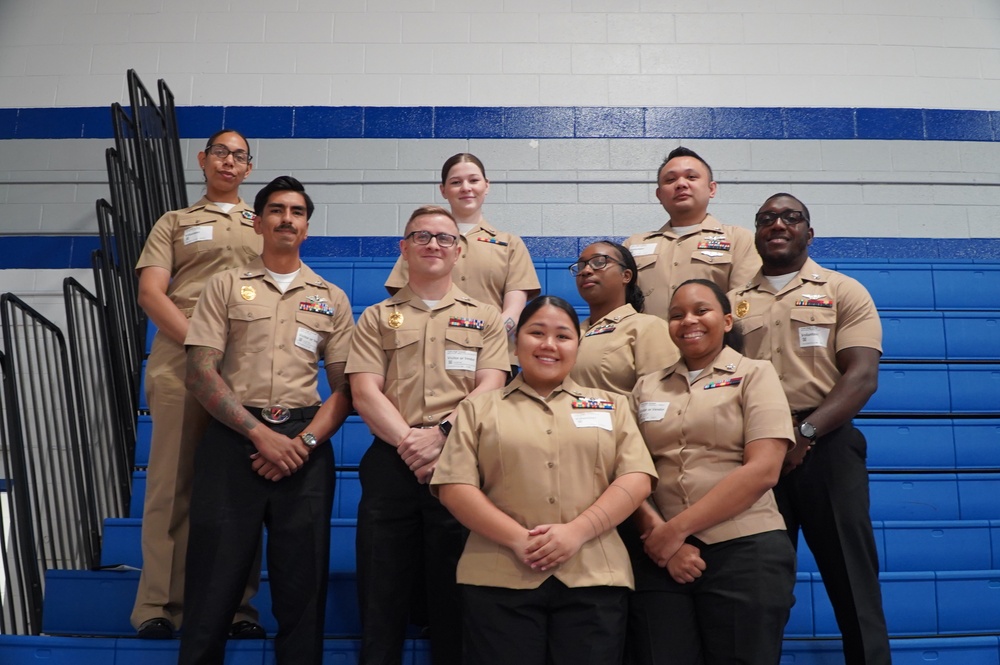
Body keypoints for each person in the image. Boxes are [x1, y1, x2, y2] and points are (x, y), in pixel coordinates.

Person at [177, 176, 354, 665]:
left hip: (305, 447)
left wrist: (303, 443)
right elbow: (199, 371)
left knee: (303, 585)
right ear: (258, 221)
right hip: (235, 440)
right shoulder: (224, 285)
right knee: (213, 578)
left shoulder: (331, 297)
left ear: (307, 227)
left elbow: (345, 387)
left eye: (297, 212)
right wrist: (260, 435)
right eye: (276, 210)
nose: (286, 219)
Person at [432, 296, 657, 665]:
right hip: (498, 577)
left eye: (563, 336)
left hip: (594, 577)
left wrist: (577, 532)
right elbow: (455, 487)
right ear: (516, 341)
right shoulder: (478, 408)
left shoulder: (611, 405)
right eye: (536, 332)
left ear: (578, 346)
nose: (549, 344)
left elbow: (636, 479)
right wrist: (519, 540)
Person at [731, 193, 891, 664]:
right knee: (760, 590)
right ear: (756, 233)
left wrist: (806, 434)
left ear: (809, 232)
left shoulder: (845, 290)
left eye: (790, 217)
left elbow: (861, 376)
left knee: (852, 583)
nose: (777, 224)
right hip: (755, 455)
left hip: (828, 447)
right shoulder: (733, 304)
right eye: (766, 219)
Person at [347, 205, 510, 665]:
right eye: (421, 237)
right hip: (391, 462)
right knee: (381, 595)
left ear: (459, 251)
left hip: (459, 463)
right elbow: (364, 391)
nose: (433, 245)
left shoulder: (486, 317)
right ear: (404, 248)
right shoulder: (377, 316)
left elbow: (491, 386)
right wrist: (412, 444)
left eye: (443, 238)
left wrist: (440, 435)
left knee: (454, 597)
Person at [132, 129, 264, 639]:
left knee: (239, 489)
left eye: (240, 156)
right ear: (202, 160)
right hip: (182, 362)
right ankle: (158, 607)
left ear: (248, 168)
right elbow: (150, 292)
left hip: (248, 366)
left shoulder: (264, 220)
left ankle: (235, 609)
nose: (229, 162)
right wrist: (202, 344)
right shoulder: (175, 222)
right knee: (172, 484)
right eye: (221, 153)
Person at [629, 279, 797, 665]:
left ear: (725, 321)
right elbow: (630, 472)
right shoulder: (645, 387)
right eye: (676, 314)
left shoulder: (757, 374)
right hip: (660, 558)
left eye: (700, 310)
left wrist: (675, 531)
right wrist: (661, 538)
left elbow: (763, 471)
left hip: (745, 550)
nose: (688, 320)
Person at [384, 153, 540, 370]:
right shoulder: (422, 242)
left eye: (474, 180)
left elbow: (513, 311)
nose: (466, 188)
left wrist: (481, 340)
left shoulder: (510, 244)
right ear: (443, 190)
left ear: (486, 186)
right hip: (429, 359)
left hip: (493, 358)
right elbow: (405, 304)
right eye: (456, 182)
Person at [623, 146, 760, 322]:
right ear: (659, 195)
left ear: (712, 189)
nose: (681, 184)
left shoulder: (739, 239)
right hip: (650, 348)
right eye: (670, 179)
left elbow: (743, 305)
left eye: (691, 177)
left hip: (713, 346)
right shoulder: (633, 245)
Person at [568, 240, 678, 396]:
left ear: (626, 276)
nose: (586, 270)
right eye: (581, 266)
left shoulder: (647, 327)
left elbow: (661, 398)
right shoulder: (572, 334)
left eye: (599, 262)